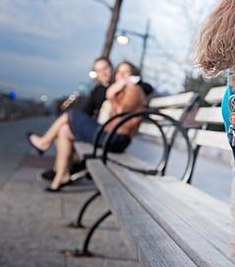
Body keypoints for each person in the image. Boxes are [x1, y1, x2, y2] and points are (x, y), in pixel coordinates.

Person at [28, 61, 147, 191]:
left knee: (71, 114)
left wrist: (111, 93)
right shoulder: (118, 88)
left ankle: (44, 143)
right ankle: (61, 176)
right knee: (64, 129)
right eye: (120, 72)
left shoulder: (133, 88)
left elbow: (121, 112)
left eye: (126, 72)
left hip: (116, 138)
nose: (121, 75)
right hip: (109, 134)